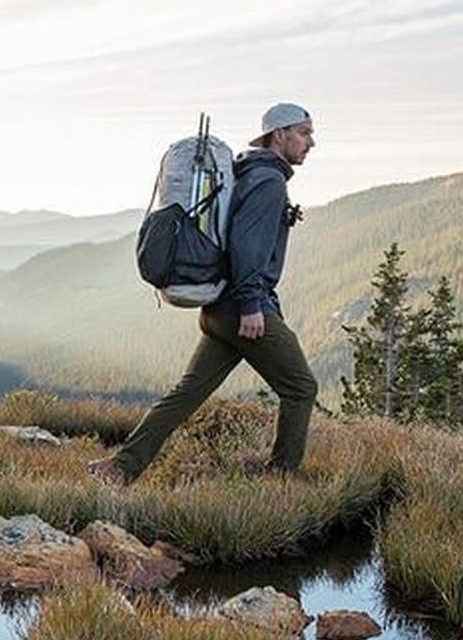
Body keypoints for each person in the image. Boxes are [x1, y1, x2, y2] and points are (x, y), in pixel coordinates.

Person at [89, 103, 318, 486]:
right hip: (243, 309)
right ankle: (281, 480)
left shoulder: (248, 173)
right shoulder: (269, 182)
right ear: (280, 135)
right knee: (301, 387)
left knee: (187, 394)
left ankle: (120, 468)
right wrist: (250, 304)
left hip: (217, 307)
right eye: (304, 133)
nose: (311, 142)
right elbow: (246, 247)